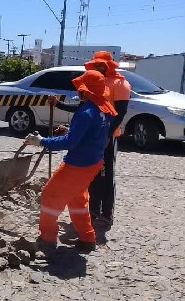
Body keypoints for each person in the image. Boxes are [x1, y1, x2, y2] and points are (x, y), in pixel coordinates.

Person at [25, 70, 117, 253]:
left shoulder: (86, 112)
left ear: (86, 91)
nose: (78, 92)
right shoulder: (104, 109)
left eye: (81, 89)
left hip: (77, 165)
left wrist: (41, 141)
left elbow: (70, 143)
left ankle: (47, 238)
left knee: (50, 195)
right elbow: (96, 135)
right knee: (77, 199)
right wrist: (70, 131)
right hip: (93, 162)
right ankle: (87, 238)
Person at [50, 51, 131, 230]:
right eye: (96, 64)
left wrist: (106, 136)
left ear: (109, 65)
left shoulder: (120, 84)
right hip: (93, 136)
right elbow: (82, 107)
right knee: (91, 176)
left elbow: (119, 114)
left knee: (106, 176)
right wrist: (58, 104)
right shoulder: (94, 81)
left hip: (108, 136)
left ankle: (106, 215)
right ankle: (93, 212)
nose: (98, 67)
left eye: (101, 64)